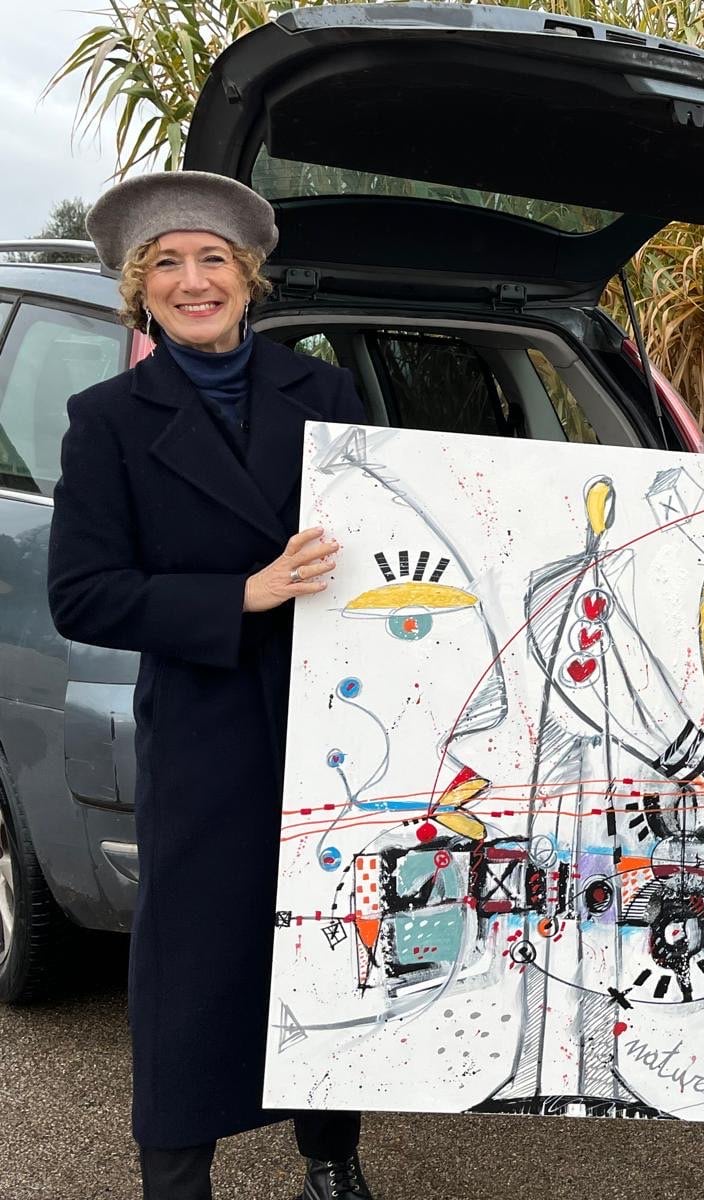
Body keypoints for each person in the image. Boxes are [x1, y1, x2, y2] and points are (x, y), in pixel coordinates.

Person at [47, 171, 374, 1200]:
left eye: (214, 261)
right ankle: (176, 1180)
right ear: (140, 289)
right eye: (169, 265)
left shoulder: (321, 394)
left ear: (249, 279)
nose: (195, 281)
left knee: (327, 941)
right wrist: (243, 592)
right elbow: (85, 597)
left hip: (337, 719)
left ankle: (330, 1161)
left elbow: (392, 533)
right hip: (204, 731)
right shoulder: (104, 420)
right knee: (191, 970)